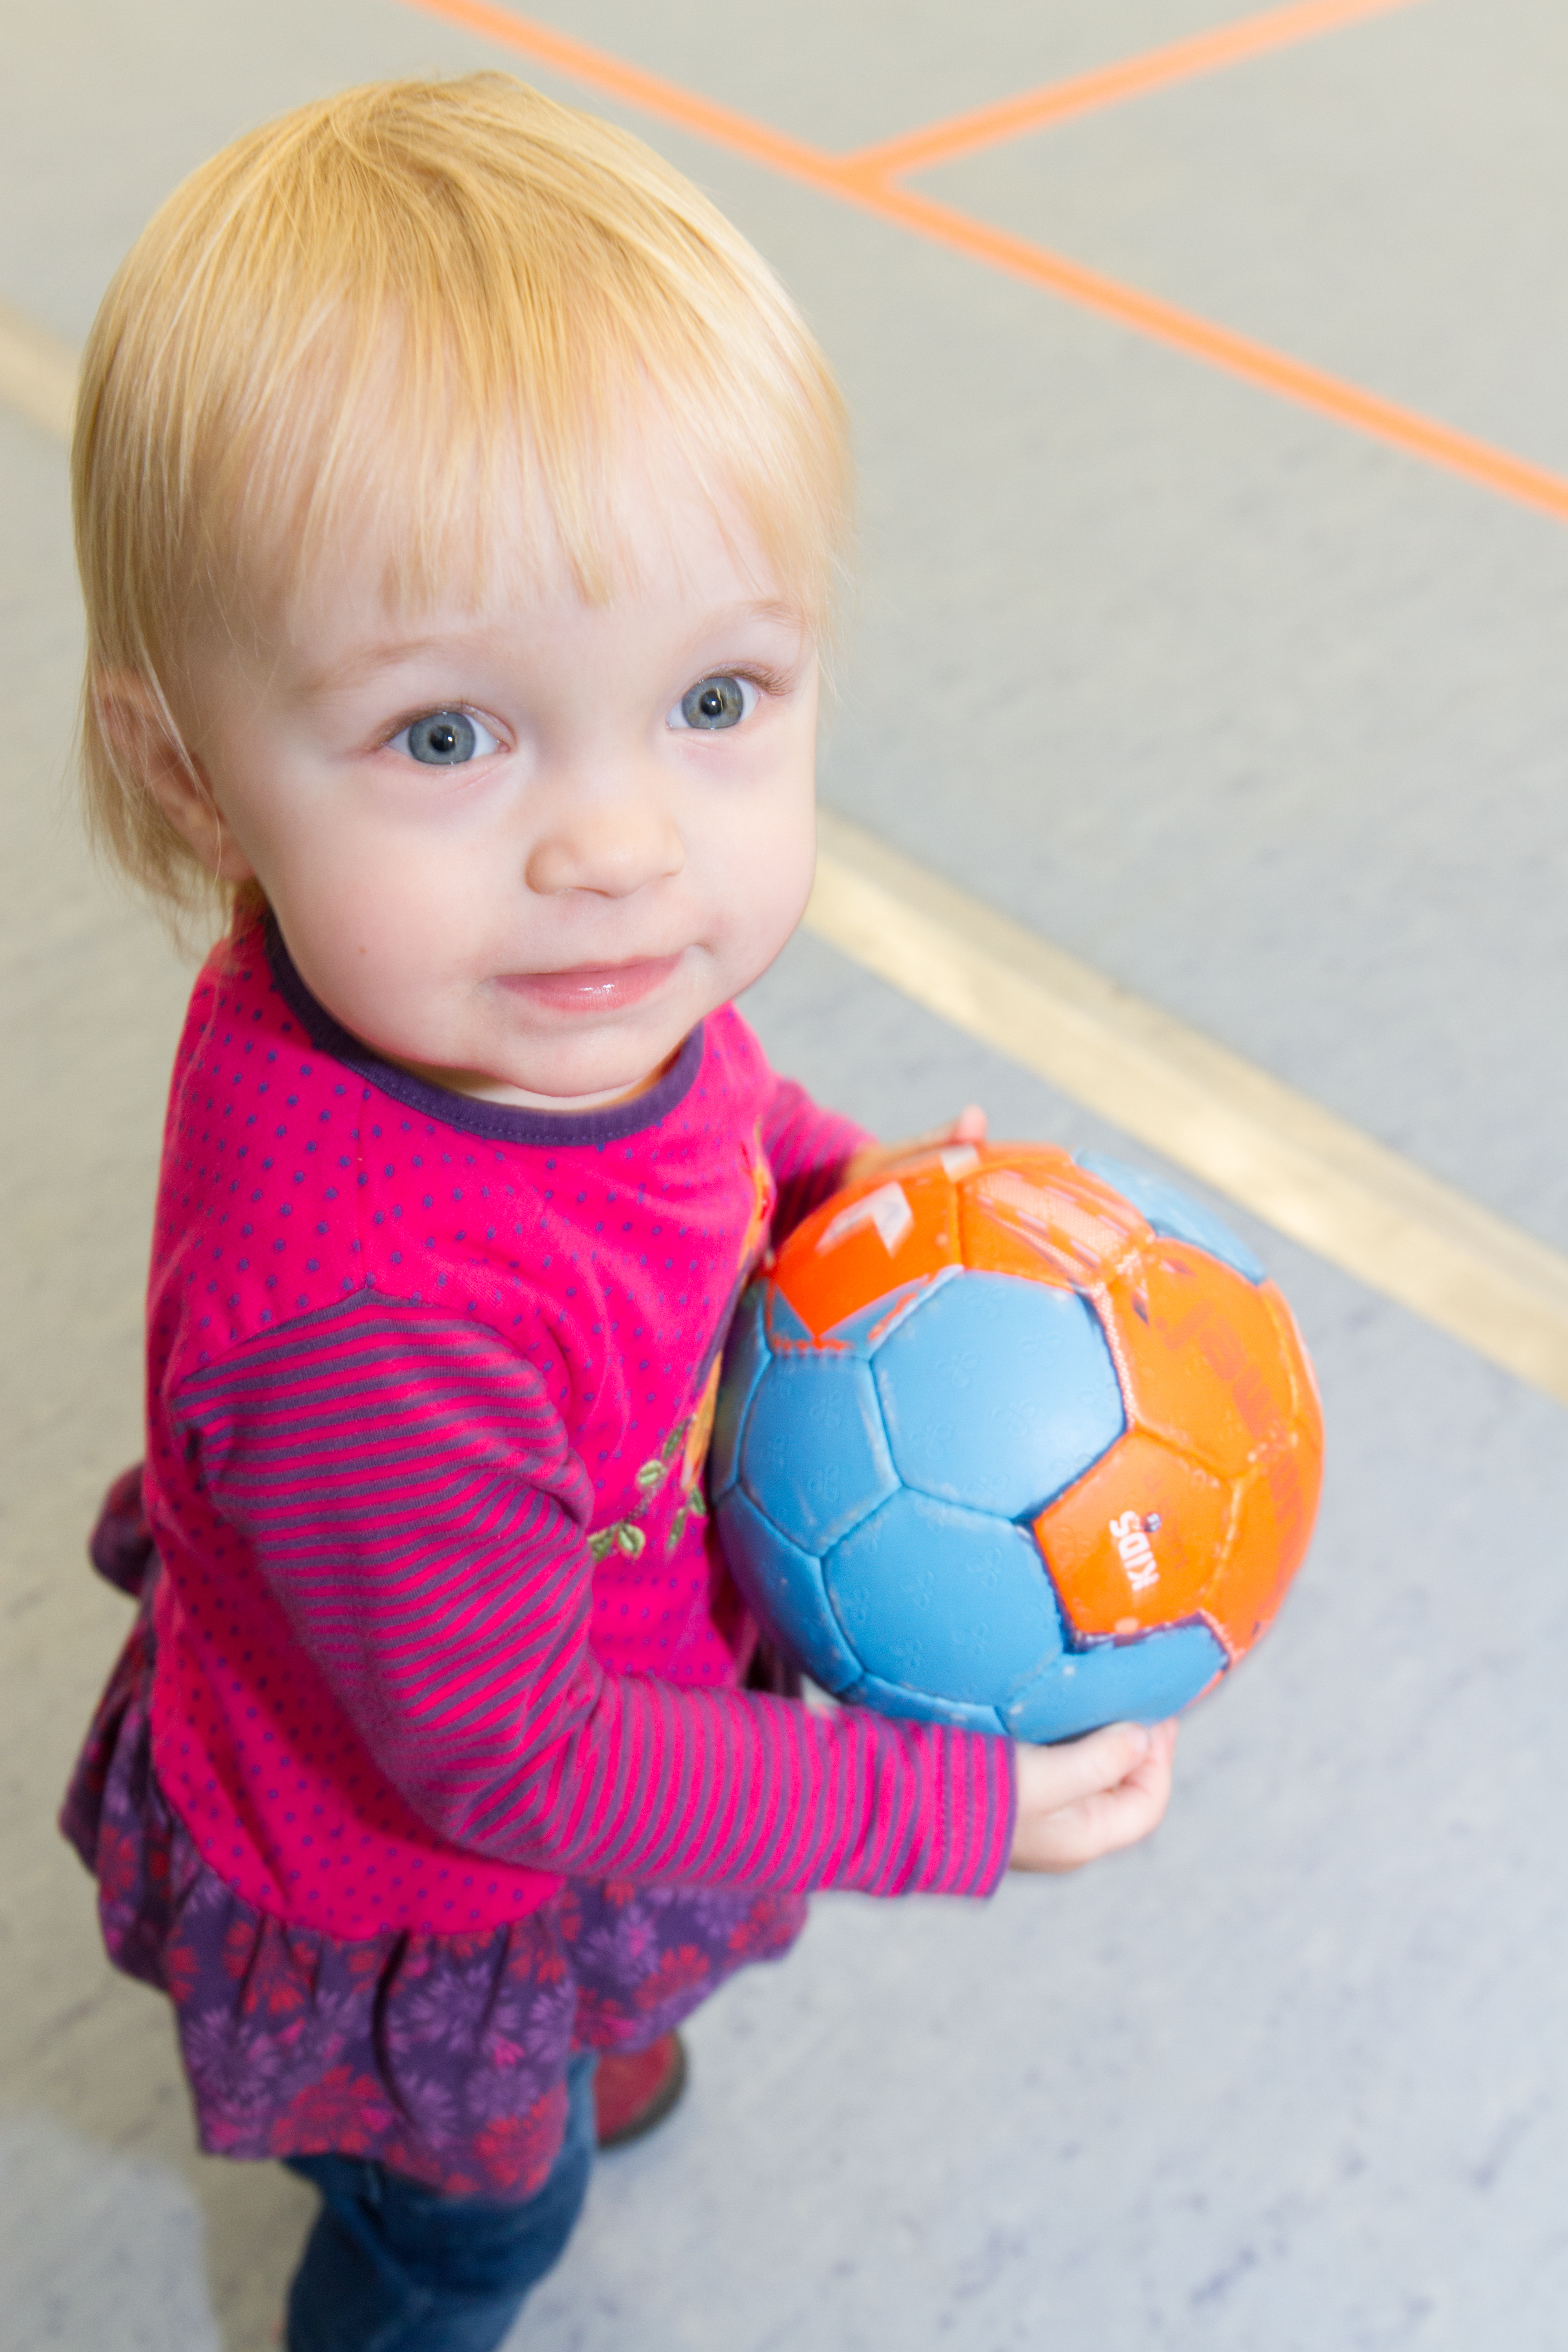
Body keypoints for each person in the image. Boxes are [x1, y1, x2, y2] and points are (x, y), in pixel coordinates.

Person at [60, 74, 1178, 2352]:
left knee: (594, 1985)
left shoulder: (521, 993)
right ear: (194, 771)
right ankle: (447, 2212)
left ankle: (594, 2013)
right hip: (439, 1869)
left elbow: (714, 1115)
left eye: (711, 699)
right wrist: (931, 1812)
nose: (619, 849)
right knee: (482, 2226)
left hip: (568, 1690)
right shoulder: (357, 1325)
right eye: (452, 737)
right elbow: (520, 1761)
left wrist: (870, 1202)